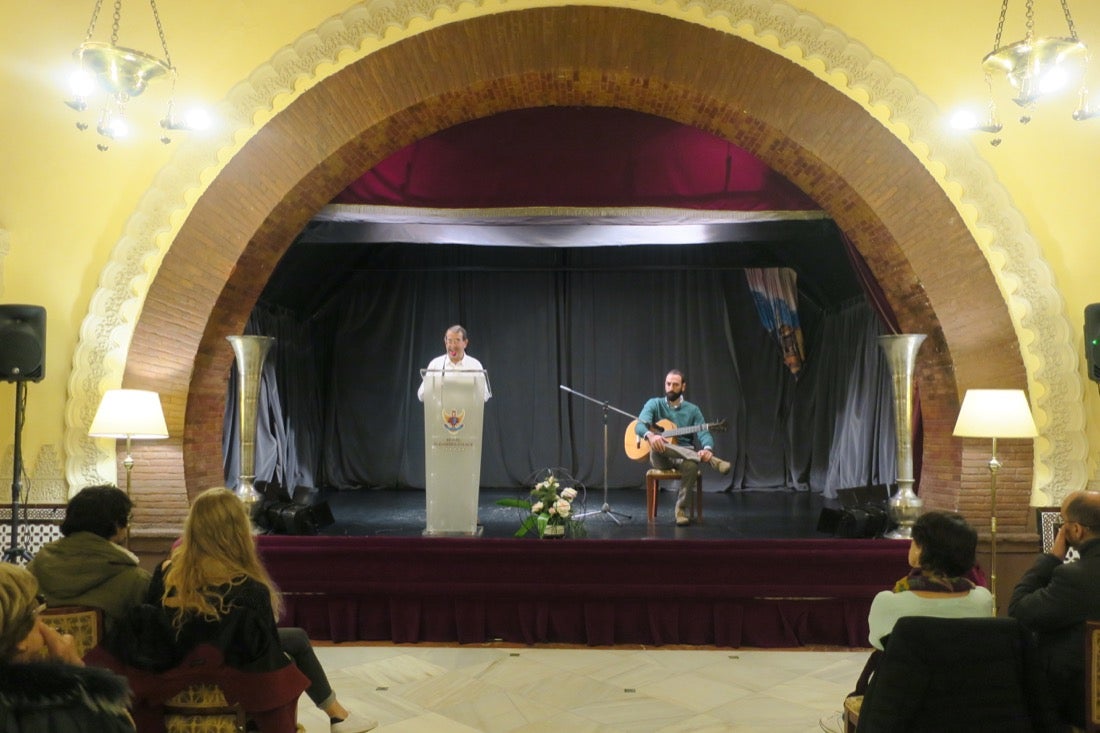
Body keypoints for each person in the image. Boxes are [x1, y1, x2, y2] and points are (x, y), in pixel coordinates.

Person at [0, 563, 135, 732]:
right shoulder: (60, 708)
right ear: (21, 639)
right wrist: (78, 673)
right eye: (37, 610)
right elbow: (123, 726)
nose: (43, 620)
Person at [1009, 489, 1100, 729]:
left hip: (1079, 704)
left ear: (1077, 530)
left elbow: (1019, 610)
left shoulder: (1074, 577)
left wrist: (1051, 558)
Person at [28, 484, 151, 631]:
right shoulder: (137, 582)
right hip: (106, 654)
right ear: (117, 524)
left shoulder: (31, 571)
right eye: (128, 518)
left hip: (43, 653)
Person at [866, 510, 993, 650]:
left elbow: (878, 642)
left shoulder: (888, 602)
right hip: (964, 671)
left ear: (920, 550)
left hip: (908, 671)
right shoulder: (983, 599)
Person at [634, 369, 730, 526]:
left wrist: (707, 448)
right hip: (660, 455)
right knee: (660, 445)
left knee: (691, 465)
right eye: (668, 384)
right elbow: (639, 426)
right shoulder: (654, 404)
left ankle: (680, 510)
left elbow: (704, 433)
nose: (671, 387)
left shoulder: (693, 410)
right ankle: (712, 461)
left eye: (675, 384)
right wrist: (651, 436)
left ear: (683, 387)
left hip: (683, 456)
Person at [417, 324, 491, 402]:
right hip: (440, 413)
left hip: (468, 412)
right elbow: (421, 395)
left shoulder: (475, 365)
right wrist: (434, 386)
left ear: (465, 343)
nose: (453, 346)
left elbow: (485, 395)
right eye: (449, 341)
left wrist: (468, 390)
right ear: (445, 342)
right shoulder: (435, 364)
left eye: (457, 341)